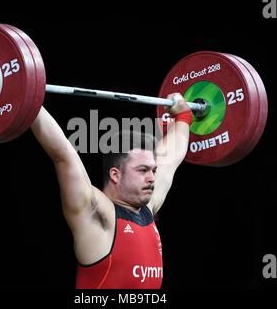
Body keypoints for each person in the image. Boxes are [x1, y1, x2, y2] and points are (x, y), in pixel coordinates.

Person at [30, 93, 193, 289]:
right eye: (142, 170)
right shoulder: (97, 215)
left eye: (153, 170)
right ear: (115, 175)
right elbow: (63, 154)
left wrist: (183, 116)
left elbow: (171, 157)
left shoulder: (147, 207)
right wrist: (29, 96)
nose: (152, 177)